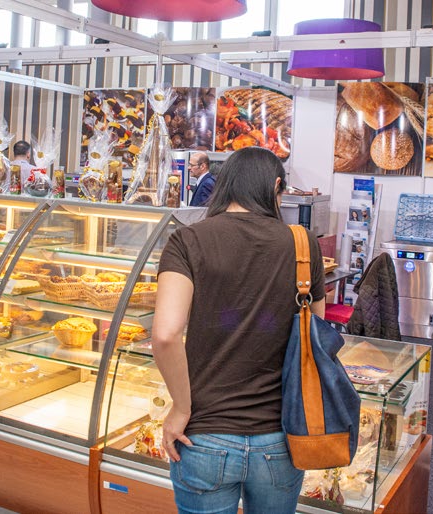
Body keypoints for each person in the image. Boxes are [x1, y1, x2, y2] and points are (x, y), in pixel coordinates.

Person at [154, 147, 326, 514]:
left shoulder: (187, 240)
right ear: (276, 186)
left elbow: (166, 335)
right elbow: (317, 333)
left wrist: (181, 407)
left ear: (224, 184)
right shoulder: (303, 244)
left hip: (203, 434)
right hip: (280, 437)